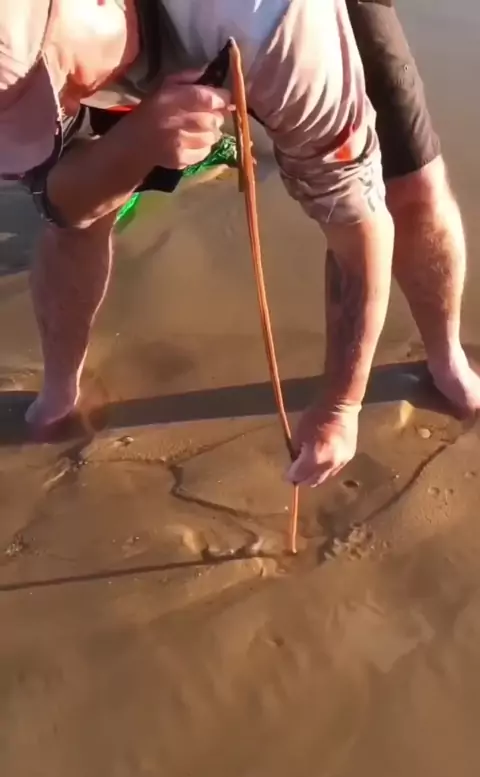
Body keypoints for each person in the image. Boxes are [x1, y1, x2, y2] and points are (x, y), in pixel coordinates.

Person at [0, 0, 477, 489]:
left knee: (410, 186)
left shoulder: (279, 30)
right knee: (77, 221)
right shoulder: (26, 42)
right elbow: (65, 203)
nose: (63, 107)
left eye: (60, 82)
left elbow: (358, 224)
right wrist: (134, 145)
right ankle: (58, 393)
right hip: (124, 37)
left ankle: (445, 358)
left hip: (264, 33)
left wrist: (341, 405)